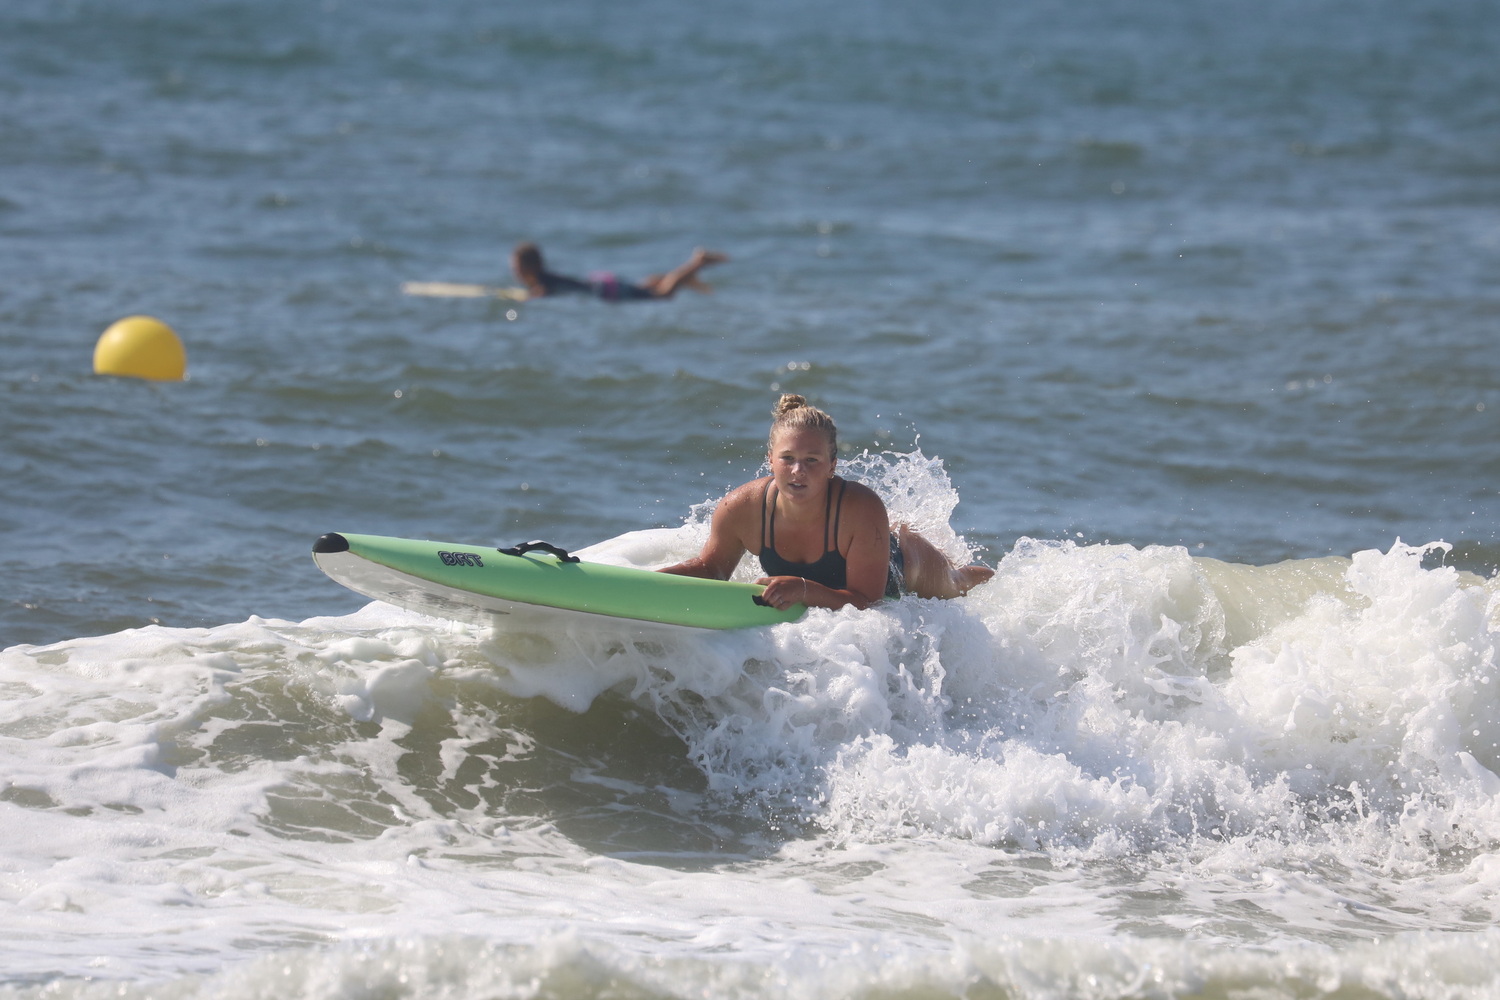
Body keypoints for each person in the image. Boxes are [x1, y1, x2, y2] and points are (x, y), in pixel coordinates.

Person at [658, 395, 995, 611]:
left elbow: (868, 602)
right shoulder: (742, 508)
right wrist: (648, 579)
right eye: (787, 458)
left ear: (833, 465)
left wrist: (802, 589)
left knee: (957, 583)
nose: (798, 471)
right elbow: (711, 569)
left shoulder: (861, 509)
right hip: (845, 564)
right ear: (769, 460)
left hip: (901, 566)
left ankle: (998, 578)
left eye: (812, 460)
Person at [510, 242, 727, 302]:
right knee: (647, 287)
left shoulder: (542, 282)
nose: (514, 271)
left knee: (664, 295)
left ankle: (697, 262)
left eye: (517, 267)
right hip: (602, 283)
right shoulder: (545, 277)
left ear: (531, 267)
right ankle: (683, 277)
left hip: (607, 290)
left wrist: (527, 299)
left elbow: (541, 293)